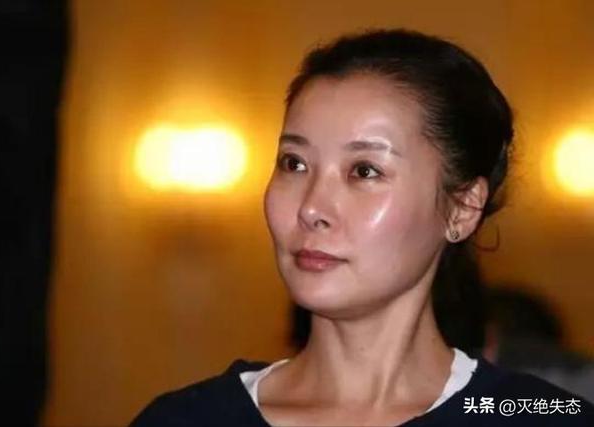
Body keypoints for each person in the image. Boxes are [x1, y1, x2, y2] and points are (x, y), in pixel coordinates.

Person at [131, 29, 594, 426]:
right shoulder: (187, 418)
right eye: (294, 163)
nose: (312, 207)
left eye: (364, 171)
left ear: (462, 208)